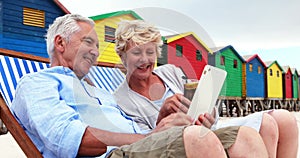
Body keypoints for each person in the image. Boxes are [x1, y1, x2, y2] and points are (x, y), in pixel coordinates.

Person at [9, 14, 269, 158]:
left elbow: (139, 133)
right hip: (115, 156)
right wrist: (150, 137)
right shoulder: (38, 84)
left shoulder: (96, 90)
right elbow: (68, 139)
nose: (95, 51)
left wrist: (160, 122)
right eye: (88, 42)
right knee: (194, 139)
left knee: (244, 136)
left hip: (136, 148)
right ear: (60, 43)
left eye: (97, 45)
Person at [113, 20, 299, 158]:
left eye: (150, 52)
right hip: (182, 142)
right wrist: (161, 117)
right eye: (136, 53)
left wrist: (208, 114)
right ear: (122, 56)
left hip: (206, 130)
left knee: (282, 118)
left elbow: (210, 113)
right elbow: (145, 144)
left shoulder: (170, 73)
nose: (145, 60)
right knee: (263, 126)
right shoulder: (121, 100)